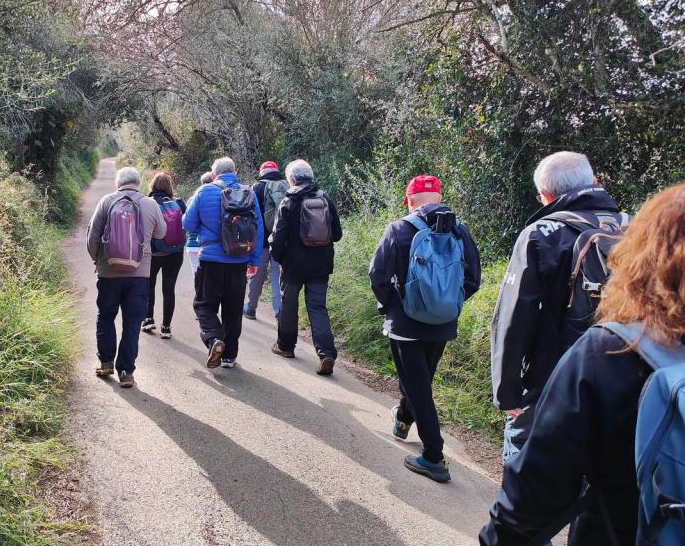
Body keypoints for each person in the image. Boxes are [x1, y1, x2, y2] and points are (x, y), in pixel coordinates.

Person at [481, 182, 685, 546]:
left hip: (551, 387)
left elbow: (514, 318)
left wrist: (507, 391)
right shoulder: (620, 220)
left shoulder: (609, 350)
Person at [491, 151, 627, 464]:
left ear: (546, 196)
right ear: (594, 182)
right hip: (624, 377)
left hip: (553, 376)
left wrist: (507, 392)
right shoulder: (640, 231)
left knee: (525, 464)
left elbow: (514, 317)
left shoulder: (542, 234)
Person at [369, 174, 481, 482]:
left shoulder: (399, 229)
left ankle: (434, 456)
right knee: (419, 382)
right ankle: (404, 418)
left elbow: (378, 275)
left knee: (418, 387)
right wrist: (447, 304)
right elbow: (473, 279)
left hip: (406, 325)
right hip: (443, 323)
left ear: (409, 200)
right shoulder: (459, 231)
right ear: (440, 197)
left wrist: (393, 307)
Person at [86, 166, 166, 388]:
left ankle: (106, 363)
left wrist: (98, 261)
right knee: (132, 323)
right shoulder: (149, 204)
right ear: (138, 183)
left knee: (105, 316)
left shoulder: (106, 202)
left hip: (108, 272)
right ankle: (126, 372)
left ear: (118, 183)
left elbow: (92, 237)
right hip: (139, 275)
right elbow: (162, 233)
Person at [183, 157, 263, 369]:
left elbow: (188, 223)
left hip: (211, 260)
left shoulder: (205, 191)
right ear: (234, 171)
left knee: (204, 304)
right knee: (233, 308)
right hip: (239, 260)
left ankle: (213, 338)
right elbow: (259, 229)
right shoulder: (249, 193)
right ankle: (229, 356)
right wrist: (254, 260)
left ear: (214, 173)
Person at [269, 159, 343, 376]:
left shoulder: (289, 201)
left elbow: (278, 236)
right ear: (310, 176)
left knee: (289, 303)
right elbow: (337, 235)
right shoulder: (326, 199)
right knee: (317, 307)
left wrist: (278, 257)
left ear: (291, 178)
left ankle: (285, 346)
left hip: (293, 265)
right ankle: (326, 353)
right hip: (321, 265)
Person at [142, 171, 187, 340]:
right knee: (169, 289)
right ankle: (166, 328)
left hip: (152, 252)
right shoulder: (179, 203)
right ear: (169, 186)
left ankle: (148, 319)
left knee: (149, 285)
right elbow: (187, 223)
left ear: (152, 185)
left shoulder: (147, 203)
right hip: (175, 252)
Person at [244, 161, 288, 321]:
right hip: (280, 240)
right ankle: (279, 313)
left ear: (262, 172)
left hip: (260, 240)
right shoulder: (286, 186)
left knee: (256, 275)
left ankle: (250, 308)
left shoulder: (256, 187)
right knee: (278, 277)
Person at [185, 172, 214, 274]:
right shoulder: (217, 198)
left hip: (192, 243)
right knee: (209, 276)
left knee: (196, 275)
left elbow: (187, 223)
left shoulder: (192, 199)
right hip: (208, 245)